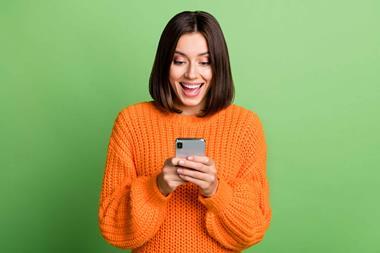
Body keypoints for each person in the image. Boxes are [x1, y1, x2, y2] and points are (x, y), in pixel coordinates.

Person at [98, 10, 272, 253]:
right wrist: (157, 187)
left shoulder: (245, 125)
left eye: (205, 61)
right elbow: (112, 225)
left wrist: (215, 190)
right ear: (164, 64)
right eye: (179, 61)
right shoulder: (131, 121)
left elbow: (253, 228)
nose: (191, 74)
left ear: (218, 65)